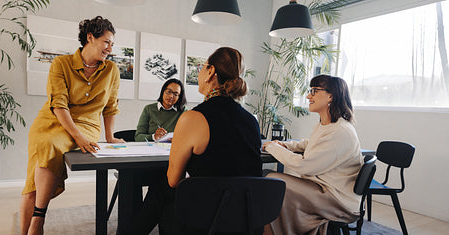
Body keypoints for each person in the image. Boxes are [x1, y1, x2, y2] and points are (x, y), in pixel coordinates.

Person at [131, 47, 262, 234]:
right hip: (243, 219)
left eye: (202, 67)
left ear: (210, 72)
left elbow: (174, 180)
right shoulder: (251, 120)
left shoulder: (193, 117)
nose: (199, 72)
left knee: (162, 187)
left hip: (205, 218)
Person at [19, 16, 124, 235]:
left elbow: (111, 107)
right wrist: (77, 138)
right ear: (90, 37)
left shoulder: (112, 70)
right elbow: (58, 104)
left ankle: (38, 219)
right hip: (51, 121)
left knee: (47, 152)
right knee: (32, 186)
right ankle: (35, 223)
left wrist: (110, 136)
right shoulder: (61, 63)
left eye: (112, 44)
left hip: (87, 125)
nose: (110, 48)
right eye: (107, 42)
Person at [262, 75, 363, 235]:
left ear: (331, 96)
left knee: (272, 183)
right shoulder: (329, 125)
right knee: (272, 182)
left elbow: (305, 165)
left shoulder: (339, 131)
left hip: (335, 199)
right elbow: (311, 144)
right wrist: (286, 145)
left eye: (314, 91)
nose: (309, 96)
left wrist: (273, 148)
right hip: (325, 189)